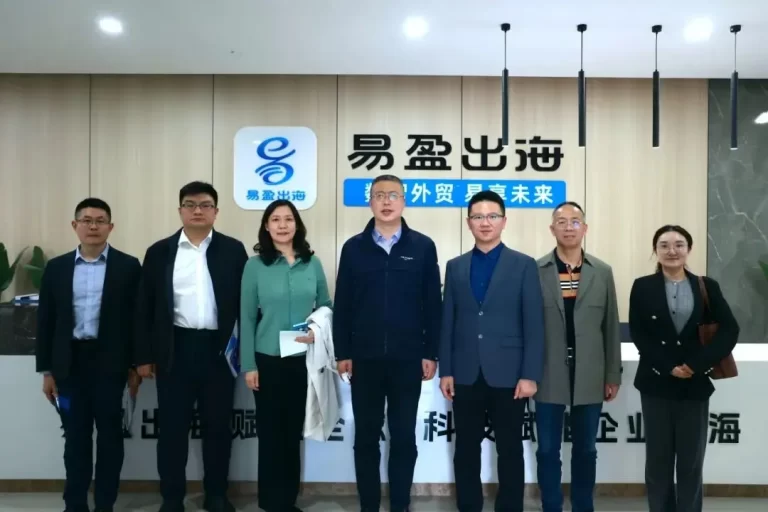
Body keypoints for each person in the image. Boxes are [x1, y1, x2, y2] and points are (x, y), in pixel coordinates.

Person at [134, 181, 248, 512]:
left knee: (218, 428)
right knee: (172, 430)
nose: (197, 210)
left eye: (205, 204)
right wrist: (143, 356)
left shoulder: (233, 250)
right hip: (175, 350)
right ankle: (172, 498)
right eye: (190, 204)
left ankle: (216, 495)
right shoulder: (159, 252)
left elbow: (245, 303)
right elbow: (144, 307)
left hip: (219, 350)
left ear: (216, 211)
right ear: (180, 210)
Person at [333, 174, 442, 512]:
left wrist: (431, 352)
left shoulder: (422, 246)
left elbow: (432, 304)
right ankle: (368, 505)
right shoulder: (353, 248)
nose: (386, 201)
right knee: (366, 436)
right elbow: (343, 304)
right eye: (379, 195)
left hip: (407, 359)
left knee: (404, 436)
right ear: (370, 202)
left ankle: (399, 504)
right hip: (363, 358)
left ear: (404, 201)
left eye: (393, 195)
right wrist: (343, 352)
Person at [439, 190, 545, 512]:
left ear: (504, 221)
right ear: (468, 222)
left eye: (492, 216)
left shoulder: (524, 265)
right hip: (466, 372)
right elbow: (448, 321)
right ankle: (469, 506)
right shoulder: (456, 266)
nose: (485, 222)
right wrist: (447, 370)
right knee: (465, 449)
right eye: (478, 217)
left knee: (510, 449)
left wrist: (529, 374)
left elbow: (534, 323)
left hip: (510, 374)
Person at [36, 198, 142, 512]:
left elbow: (137, 320)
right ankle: (75, 503)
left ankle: (105, 503)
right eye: (86, 220)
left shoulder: (128, 266)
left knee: (111, 438)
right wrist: (47, 371)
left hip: (112, 365)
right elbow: (46, 321)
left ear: (111, 226)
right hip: (69, 366)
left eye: (99, 221)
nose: (93, 226)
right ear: (75, 225)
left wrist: (135, 366)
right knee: (75, 438)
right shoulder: (57, 268)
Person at [629, 225, 739, 512]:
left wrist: (695, 365)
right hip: (656, 384)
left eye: (679, 244)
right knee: (658, 461)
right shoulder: (642, 287)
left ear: (689, 249)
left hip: (695, 384)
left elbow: (729, 329)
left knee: (691, 462)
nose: (672, 251)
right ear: (655, 250)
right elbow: (639, 334)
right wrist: (668, 367)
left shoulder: (706, 286)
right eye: (664, 245)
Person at [240, 199, 332, 512]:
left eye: (288, 219)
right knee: (270, 434)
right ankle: (270, 501)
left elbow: (326, 306)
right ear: (266, 226)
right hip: (267, 358)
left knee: (292, 434)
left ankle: (288, 501)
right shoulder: (255, 265)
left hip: (303, 358)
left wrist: (316, 331)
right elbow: (247, 317)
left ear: (297, 225)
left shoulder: (312, 263)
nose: (282, 225)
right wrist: (249, 365)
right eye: (276, 219)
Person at [534, 201, 622, 512]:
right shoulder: (536, 270)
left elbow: (611, 326)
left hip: (590, 373)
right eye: (562, 222)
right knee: (547, 450)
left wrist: (612, 374)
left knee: (586, 449)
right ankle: (552, 505)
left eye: (575, 222)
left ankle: (583, 506)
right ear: (552, 229)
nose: (568, 227)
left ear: (585, 228)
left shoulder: (602, 272)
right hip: (547, 372)